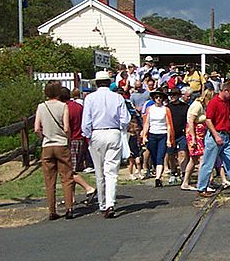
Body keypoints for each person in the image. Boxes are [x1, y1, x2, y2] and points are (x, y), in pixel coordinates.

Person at [82, 70, 131, 218]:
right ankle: (110, 203)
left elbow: (86, 122)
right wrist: (121, 130)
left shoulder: (90, 98)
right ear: (109, 83)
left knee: (99, 170)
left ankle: (103, 204)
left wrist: (89, 135)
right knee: (111, 171)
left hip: (97, 133)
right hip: (113, 132)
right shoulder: (117, 98)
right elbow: (125, 119)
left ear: (96, 83)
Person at [34, 81, 75, 220]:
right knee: (66, 177)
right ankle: (69, 208)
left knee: (49, 179)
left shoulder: (41, 106)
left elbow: (36, 128)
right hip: (61, 143)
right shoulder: (63, 106)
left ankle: (52, 210)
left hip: (47, 144)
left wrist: (43, 138)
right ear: (58, 92)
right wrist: (67, 138)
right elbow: (66, 127)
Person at [60, 87, 96, 204]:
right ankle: (71, 198)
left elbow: (66, 127)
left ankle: (88, 188)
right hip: (81, 139)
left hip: (73, 140)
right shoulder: (79, 107)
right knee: (72, 169)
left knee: (69, 171)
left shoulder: (66, 109)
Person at [141, 90, 174, 188]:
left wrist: (169, 139)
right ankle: (155, 170)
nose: (158, 99)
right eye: (156, 97)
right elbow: (147, 123)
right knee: (153, 154)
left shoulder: (166, 109)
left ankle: (158, 178)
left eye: (160, 97)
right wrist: (144, 135)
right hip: (152, 134)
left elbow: (168, 125)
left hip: (162, 134)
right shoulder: (150, 109)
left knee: (161, 155)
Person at [183, 88, 213, 191]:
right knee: (202, 159)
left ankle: (185, 182)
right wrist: (193, 138)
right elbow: (191, 121)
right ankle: (203, 184)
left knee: (194, 159)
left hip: (200, 134)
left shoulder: (202, 106)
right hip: (194, 134)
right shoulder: (197, 105)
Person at [166, 87, 190, 184]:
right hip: (171, 134)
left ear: (179, 96)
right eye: (171, 95)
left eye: (174, 95)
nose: (172, 97)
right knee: (171, 155)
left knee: (182, 153)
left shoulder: (185, 107)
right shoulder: (168, 107)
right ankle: (173, 172)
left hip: (182, 134)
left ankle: (183, 172)